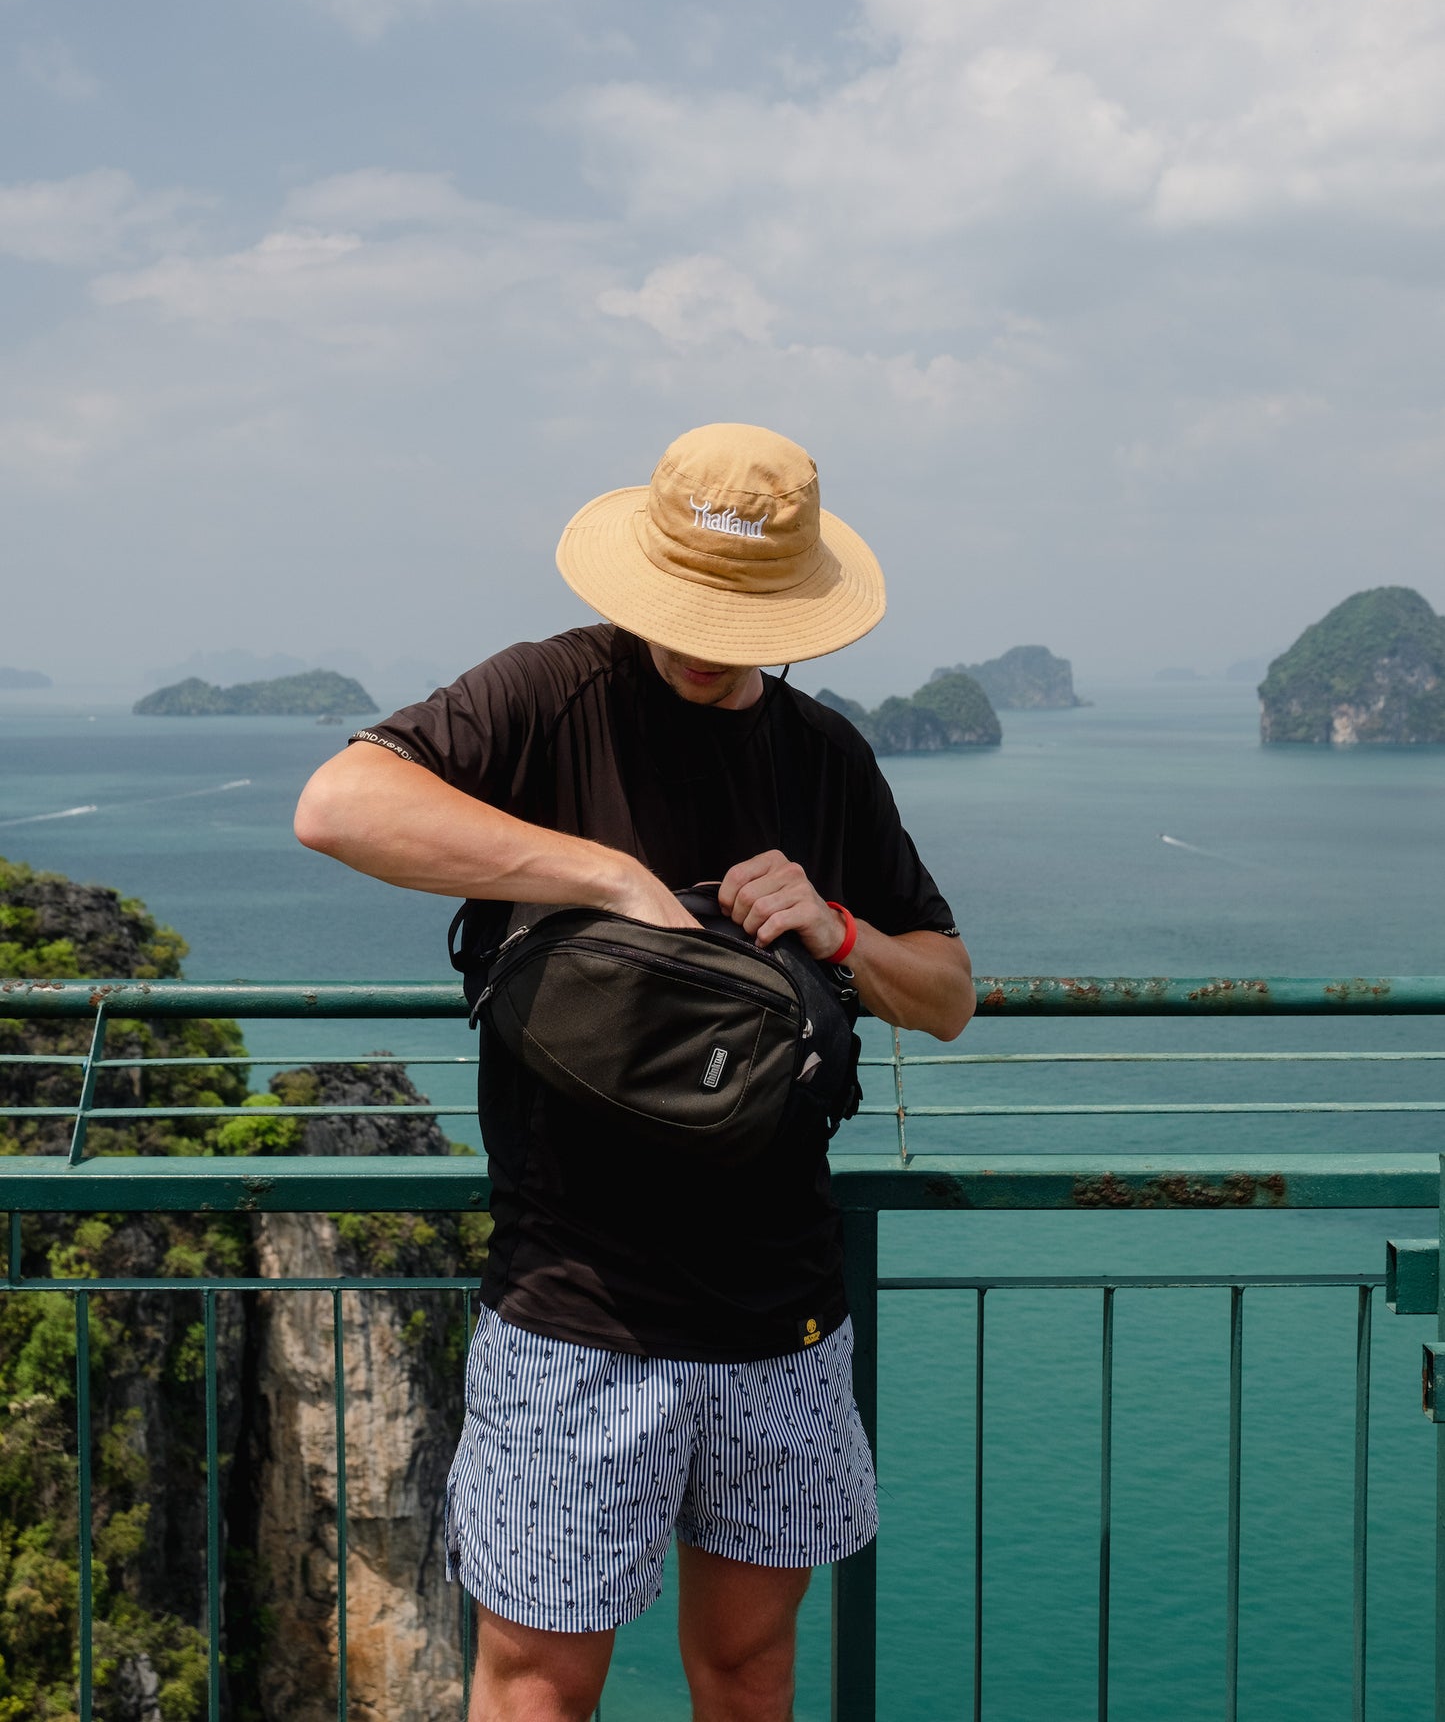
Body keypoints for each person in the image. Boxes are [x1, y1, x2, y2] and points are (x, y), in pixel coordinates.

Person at [294, 422, 975, 1722]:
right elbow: (339, 805)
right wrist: (601, 875)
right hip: (573, 1312)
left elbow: (944, 995)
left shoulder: (821, 757)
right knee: (541, 1684)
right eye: (689, 608)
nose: (707, 645)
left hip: (778, 1314)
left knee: (748, 1671)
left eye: (741, 617)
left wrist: (836, 928)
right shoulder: (549, 698)